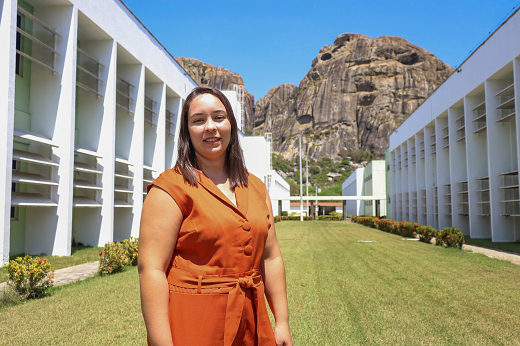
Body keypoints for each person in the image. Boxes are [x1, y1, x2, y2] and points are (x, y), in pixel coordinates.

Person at [138, 86, 293, 346]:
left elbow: (271, 256)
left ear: (231, 124)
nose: (210, 126)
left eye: (219, 117)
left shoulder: (256, 187)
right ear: (187, 131)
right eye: (198, 120)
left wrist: (283, 322)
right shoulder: (170, 188)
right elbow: (151, 269)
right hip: (194, 324)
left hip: (252, 322)